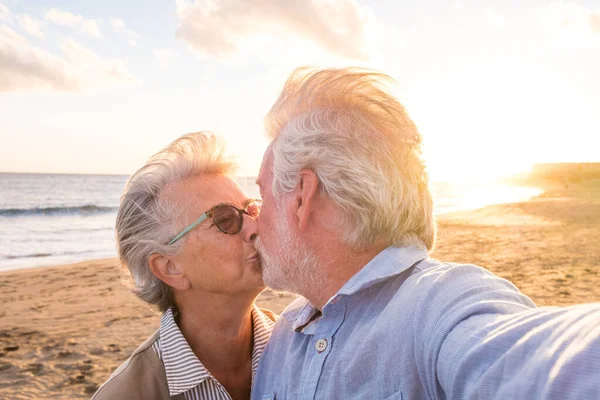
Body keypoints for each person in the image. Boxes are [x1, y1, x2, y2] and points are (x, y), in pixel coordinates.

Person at [251, 67, 600, 399]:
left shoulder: (440, 304)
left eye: (262, 196)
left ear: (301, 195)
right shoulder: (281, 337)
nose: (254, 219)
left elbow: (534, 362)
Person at [93, 132, 275, 400]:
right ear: (170, 268)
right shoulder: (127, 394)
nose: (254, 227)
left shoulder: (306, 348)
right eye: (225, 220)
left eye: (250, 210)